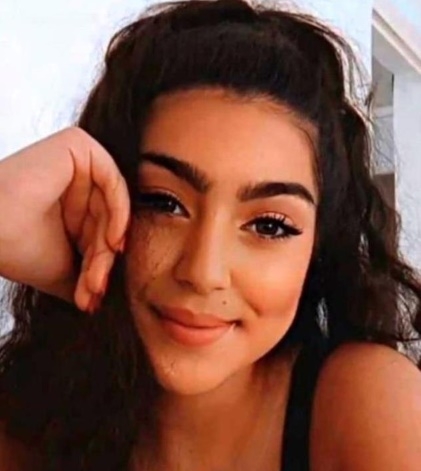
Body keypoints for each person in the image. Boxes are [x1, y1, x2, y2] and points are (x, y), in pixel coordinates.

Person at [0, 0, 421, 469]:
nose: (203, 272)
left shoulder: (368, 402)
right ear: (102, 203)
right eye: (163, 203)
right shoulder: (30, 420)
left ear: (316, 251)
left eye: (269, 225)